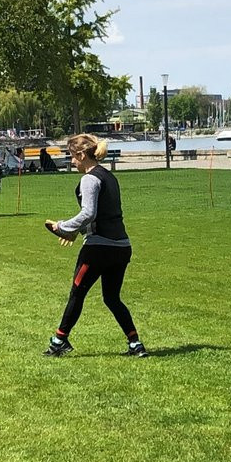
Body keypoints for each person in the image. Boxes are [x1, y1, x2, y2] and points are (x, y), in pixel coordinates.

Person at [43, 133, 148, 358]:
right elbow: (103, 214)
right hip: (121, 247)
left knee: (77, 293)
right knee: (111, 297)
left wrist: (62, 226)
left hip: (98, 250)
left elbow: (89, 213)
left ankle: (59, 341)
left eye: (72, 156)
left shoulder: (89, 179)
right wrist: (74, 233)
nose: (71, 162)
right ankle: (135, 344)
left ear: (81, 155)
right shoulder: (110, 176)